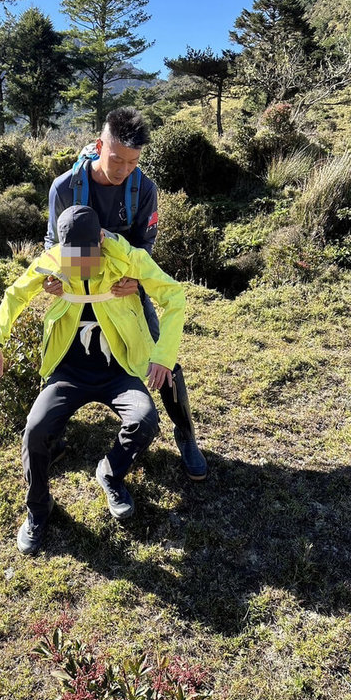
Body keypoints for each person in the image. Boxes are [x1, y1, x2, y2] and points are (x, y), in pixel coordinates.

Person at [0, 205, 186, 555]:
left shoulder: (127, 259)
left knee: (145, 420)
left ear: (100, 240)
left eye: (86, 255)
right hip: (68, 371)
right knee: (35, 430)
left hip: (119, 368)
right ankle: (38, 508)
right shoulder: (54, 260)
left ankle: (110, 473)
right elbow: (15, 294)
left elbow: (174, 295)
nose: (79, 264)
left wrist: (163, 356)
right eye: (71, 256)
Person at [43, 106, 206, 481]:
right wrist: (53, 277)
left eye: (133, 163)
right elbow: (53, 243)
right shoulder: (65, 187)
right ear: (100, 145)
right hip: (76, 287)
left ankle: (186, 434)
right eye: (117, 159)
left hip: (124, 286)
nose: (123, 170)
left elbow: (145, 246)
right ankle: (51, 439)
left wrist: (139, 282)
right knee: (58, 356)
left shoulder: (143, 189)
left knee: (160, 353)